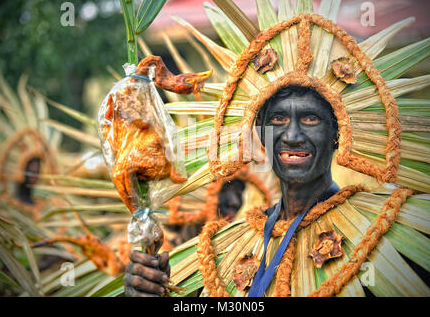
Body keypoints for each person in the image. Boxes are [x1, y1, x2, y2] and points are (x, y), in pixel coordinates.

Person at [123, 84, 340, 297]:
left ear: (338, 132)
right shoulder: (227, 247)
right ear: (262, 133)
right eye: (278, 119)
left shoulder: (368, 230)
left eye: (310, 118)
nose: (292, 137)